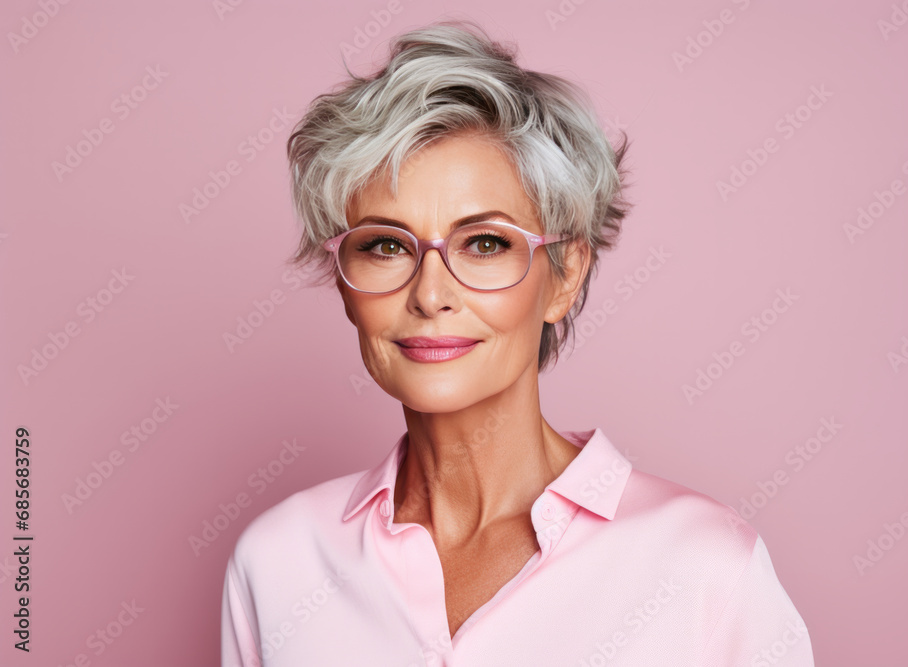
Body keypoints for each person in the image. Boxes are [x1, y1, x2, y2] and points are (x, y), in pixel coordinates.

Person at [221, 19, 814, 666]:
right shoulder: (276, 563)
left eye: (485, 243)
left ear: (564, 276)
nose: (430, 293)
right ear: (344, 281)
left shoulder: (706, 567)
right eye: (386, 245)